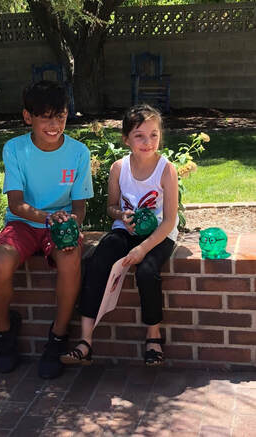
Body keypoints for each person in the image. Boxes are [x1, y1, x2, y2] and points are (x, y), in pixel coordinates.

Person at [0, 80, 93, 379]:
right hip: (23, 222)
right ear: (27, 117)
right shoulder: (15, 149)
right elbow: (17, 204)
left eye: (60, 115)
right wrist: (47, 218)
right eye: (45, 116)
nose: (54, 124)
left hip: (57, 225)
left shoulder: (78, 152)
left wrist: (71, 223)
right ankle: (3, 333)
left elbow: (80, 207)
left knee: (71, 258)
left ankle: (57, 338)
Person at [61, 104, 178, 366]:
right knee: (97, 260)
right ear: (126, 139)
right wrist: (121, 216)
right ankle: (85, 341)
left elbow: (169, 220)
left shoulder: (166, 170)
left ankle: (153, 335)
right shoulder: (118, 168)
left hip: (159, 234)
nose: (148, 142)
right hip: (125, 230)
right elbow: (111, 207)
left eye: (154, 135)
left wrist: (143, 248)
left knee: (148, 271)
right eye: (139, 135)